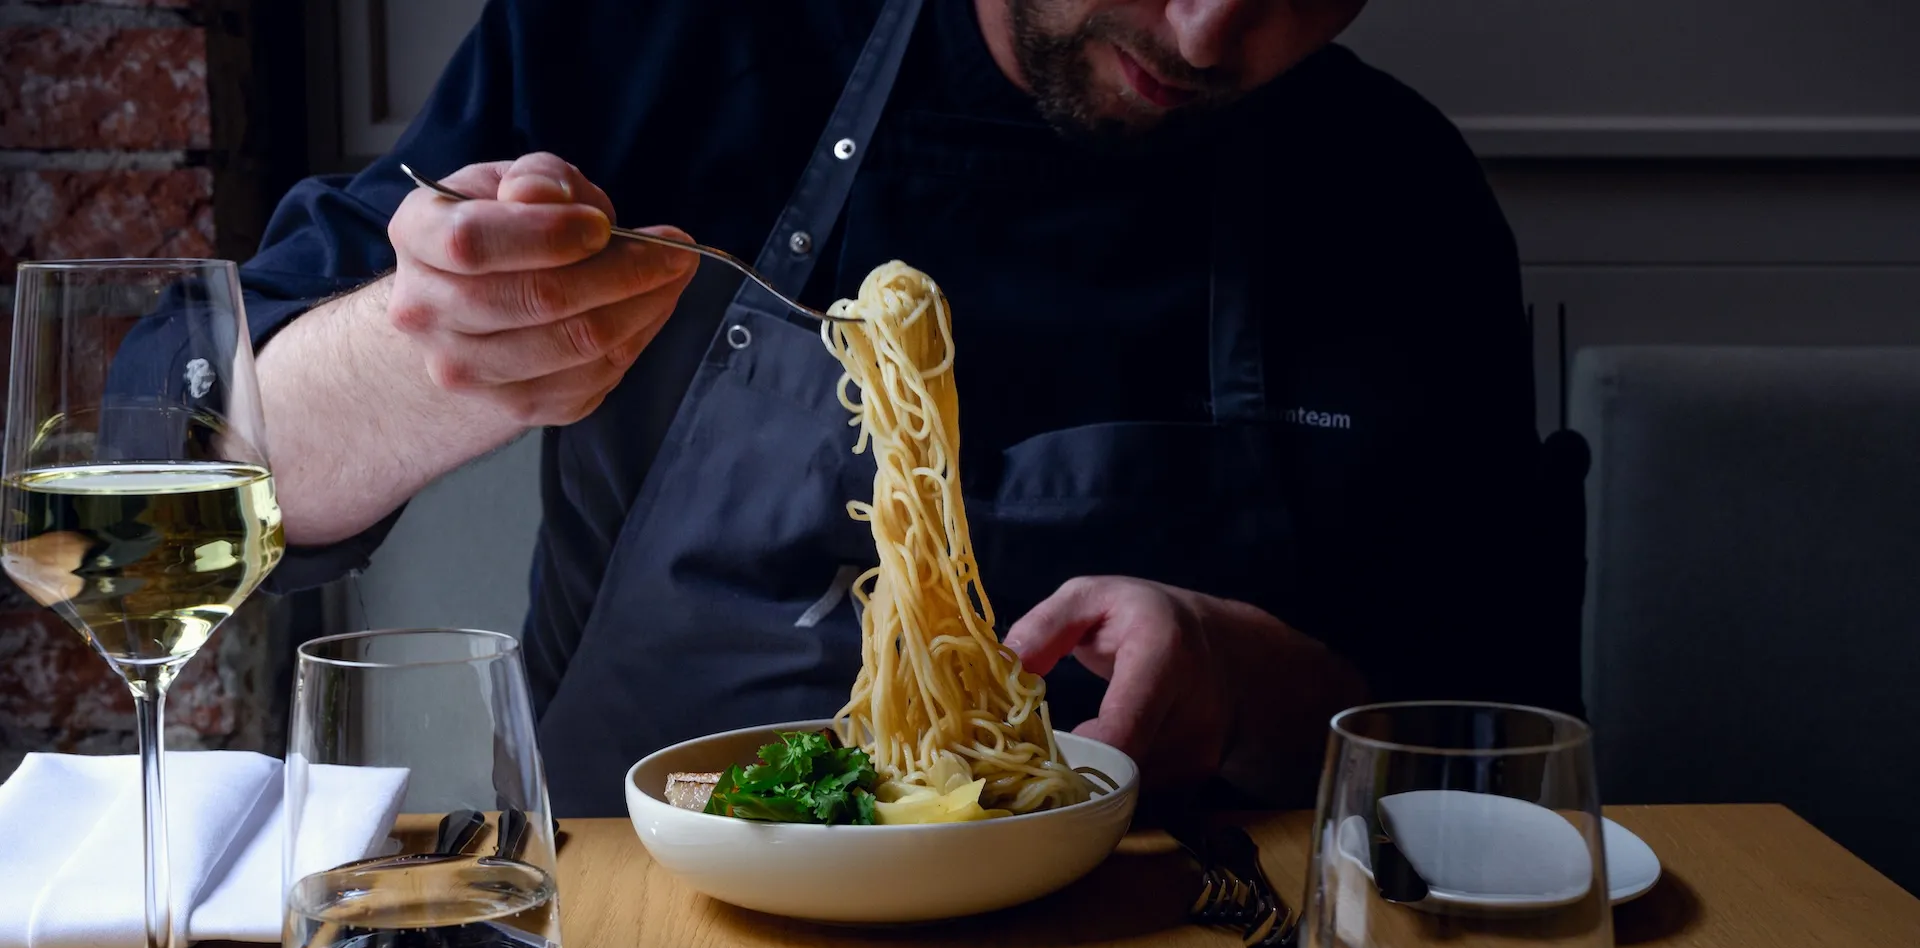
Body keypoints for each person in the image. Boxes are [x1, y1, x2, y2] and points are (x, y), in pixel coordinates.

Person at [243, 0, 1575, 815]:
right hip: (646, 938)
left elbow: (1485, 752)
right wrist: (425, 351)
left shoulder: (1394, 195)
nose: (1211, 27)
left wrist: (1249, 682)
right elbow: (200, 463)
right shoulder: (658, 31)